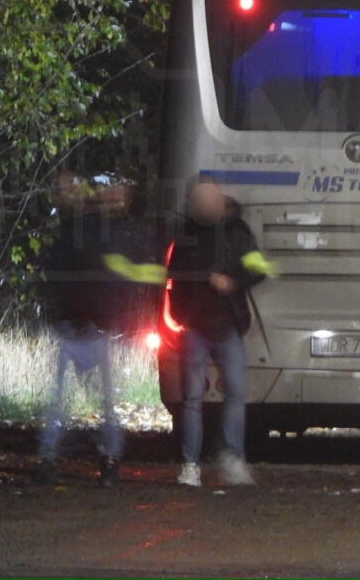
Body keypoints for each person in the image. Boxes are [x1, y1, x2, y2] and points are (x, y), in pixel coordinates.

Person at [36, 171, 147, 487]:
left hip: (96, 325)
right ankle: (52, 459)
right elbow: (58, 273)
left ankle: (107, 460)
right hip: (73, 324)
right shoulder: (71, 228)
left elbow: (113, 275)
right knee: (62, 400)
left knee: (104, 401)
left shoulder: (104, 229)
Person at [166, 178, 272, 487]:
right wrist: (179, 316)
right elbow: (173, 279)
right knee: (192, 399)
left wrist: (232, 281)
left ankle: (232, 459)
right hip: (195, 328)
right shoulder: (185, 235)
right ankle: (190, 465)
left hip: (227, 325)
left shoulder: (237, 233)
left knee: (236, 394)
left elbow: (258, 269)